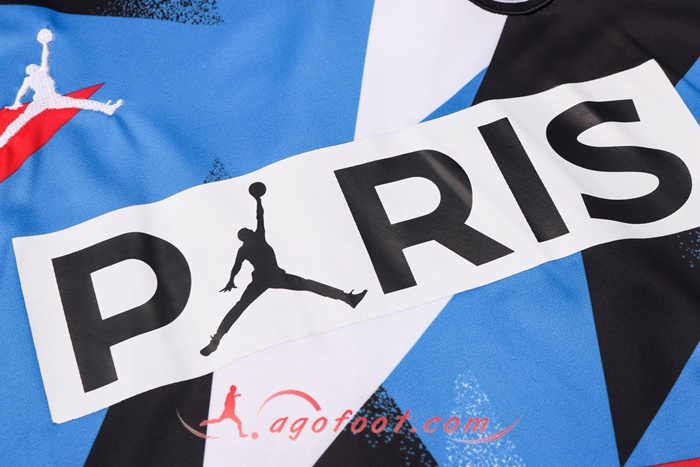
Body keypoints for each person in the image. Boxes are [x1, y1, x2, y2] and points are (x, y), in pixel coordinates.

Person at [200, 182, 367, 356]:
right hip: (269, 277)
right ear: (245, 236)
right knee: (306, 285)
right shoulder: (253, 242)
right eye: (248, 230)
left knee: (242, 306)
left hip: (271, 277)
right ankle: (215, 341)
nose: (251, 229)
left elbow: (258, 220)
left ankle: (348, 298)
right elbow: (238, 262)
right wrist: (257, 200)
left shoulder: (251, 243)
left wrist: (231, 280)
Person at [0, 28, 122, 148]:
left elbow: (45, 57)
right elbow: (23, 90)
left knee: (79, 103)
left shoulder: (42, 72)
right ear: (30, 71)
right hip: (41, 101)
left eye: (34, 67)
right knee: (22, 119)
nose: (33, 68)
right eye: (31, 68)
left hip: (52, 99)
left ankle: (106, 108)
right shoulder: (32, 78)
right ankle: (3, 139)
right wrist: (16, 101)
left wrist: (45, 44)